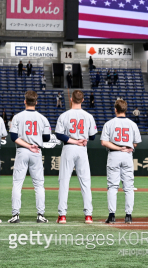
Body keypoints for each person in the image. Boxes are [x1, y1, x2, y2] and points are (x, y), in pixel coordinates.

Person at [54, 90, 97, 224]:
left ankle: (62, 216)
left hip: (69, 148)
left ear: (71, 99)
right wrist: (82, 140)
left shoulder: (64, 115)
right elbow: (93, 136)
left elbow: (59, 135)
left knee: (64, 181)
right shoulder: (88, 116)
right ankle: (88, 215)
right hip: (82, 149)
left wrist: (73, 140)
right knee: (85, 182)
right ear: (83, 100)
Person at [8, 91, 52, 224]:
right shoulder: (42, 118)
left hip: (22, 150)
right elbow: (46, 137)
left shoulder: (17, 117)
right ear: (36, 102)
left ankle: (15, 215)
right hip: (36, 151)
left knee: (17, 183)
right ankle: (40, 215)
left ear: (25, 101)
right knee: (39, 185)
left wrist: (27, 145)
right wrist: (33, 142)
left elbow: (13, 137)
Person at [102, 99, 141, 224]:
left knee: (112, 187)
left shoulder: (109, 123)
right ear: (125, 109)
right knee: (128, 187)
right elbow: (135, 143)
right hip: (127, 155)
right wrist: (127, 147)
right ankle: (128, 216)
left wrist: (118, 147)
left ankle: (112, 215)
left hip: (114, 155)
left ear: (115, 109)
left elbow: (104, 142)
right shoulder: (132, 124)